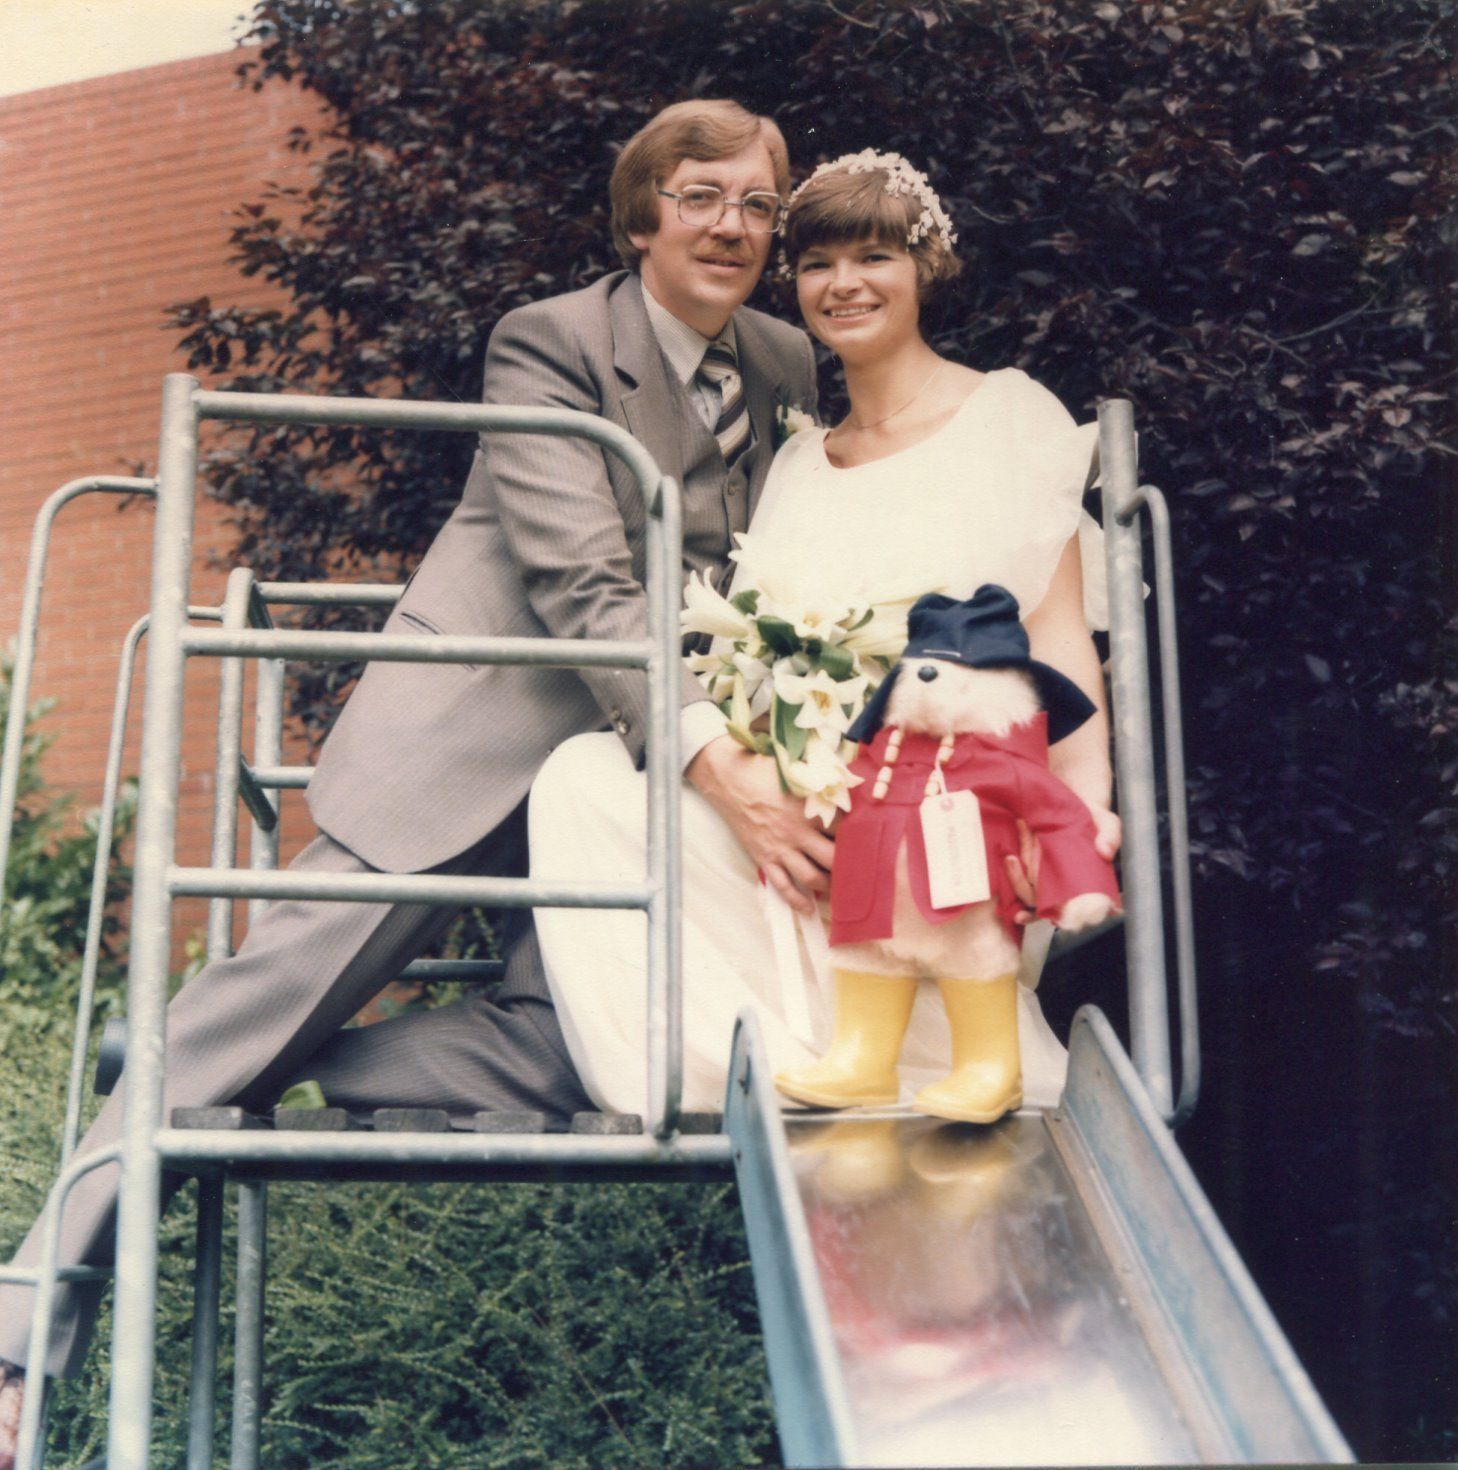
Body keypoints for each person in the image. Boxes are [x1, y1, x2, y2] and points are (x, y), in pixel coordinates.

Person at [0, 97, 822, 1443]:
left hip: (614, 795)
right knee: (224, 1033)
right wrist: (717, 760)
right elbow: (580, 580)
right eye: (700, 196)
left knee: (593, 1060)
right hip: (479, 737)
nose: (731, 225)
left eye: (755, 204)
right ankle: (20, 1338)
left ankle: (307, 1056)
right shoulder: (552, 342)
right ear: (640, 218)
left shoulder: (785, 362)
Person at [530, 149, 1121, 1119]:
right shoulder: (802, 459)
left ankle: (944, 1060)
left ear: (926, 267)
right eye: (816, 264)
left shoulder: (1006, 416)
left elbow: (1060, 647)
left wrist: (1084, 809)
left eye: (875, 257)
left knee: (930, 859)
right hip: (818, 797)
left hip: (964, 802)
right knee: (585, 781)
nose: (843, 285)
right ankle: (749, 1065)